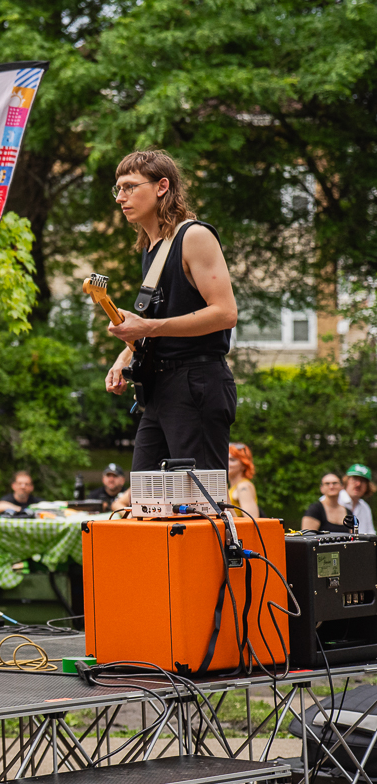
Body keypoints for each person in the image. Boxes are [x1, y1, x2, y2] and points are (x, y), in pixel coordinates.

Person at [103, 150, 239, 472]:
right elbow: (154, 321)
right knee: (145, 490)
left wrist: (147, 328)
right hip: (162, 386)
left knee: (199, 495)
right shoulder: (152, 248)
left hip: (197, 381)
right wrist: (124, 358)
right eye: (118, 189)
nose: (120, 198)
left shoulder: (194, 236)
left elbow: (225, 313)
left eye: (130, 187)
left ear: (162, 186)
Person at [341, 464, 375, 535]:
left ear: (367, 486)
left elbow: (371, 533)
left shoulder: (365, 507)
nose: (358, 484)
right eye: (355, 479)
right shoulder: (335, 500)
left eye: (363, 481)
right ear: (347, 481)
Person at [227, 443, 260, 518]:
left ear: (244, 465)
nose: (227, 463)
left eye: (232, 460)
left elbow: (252, 520)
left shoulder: (244, 487)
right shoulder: (233, 488)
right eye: (226, 459)